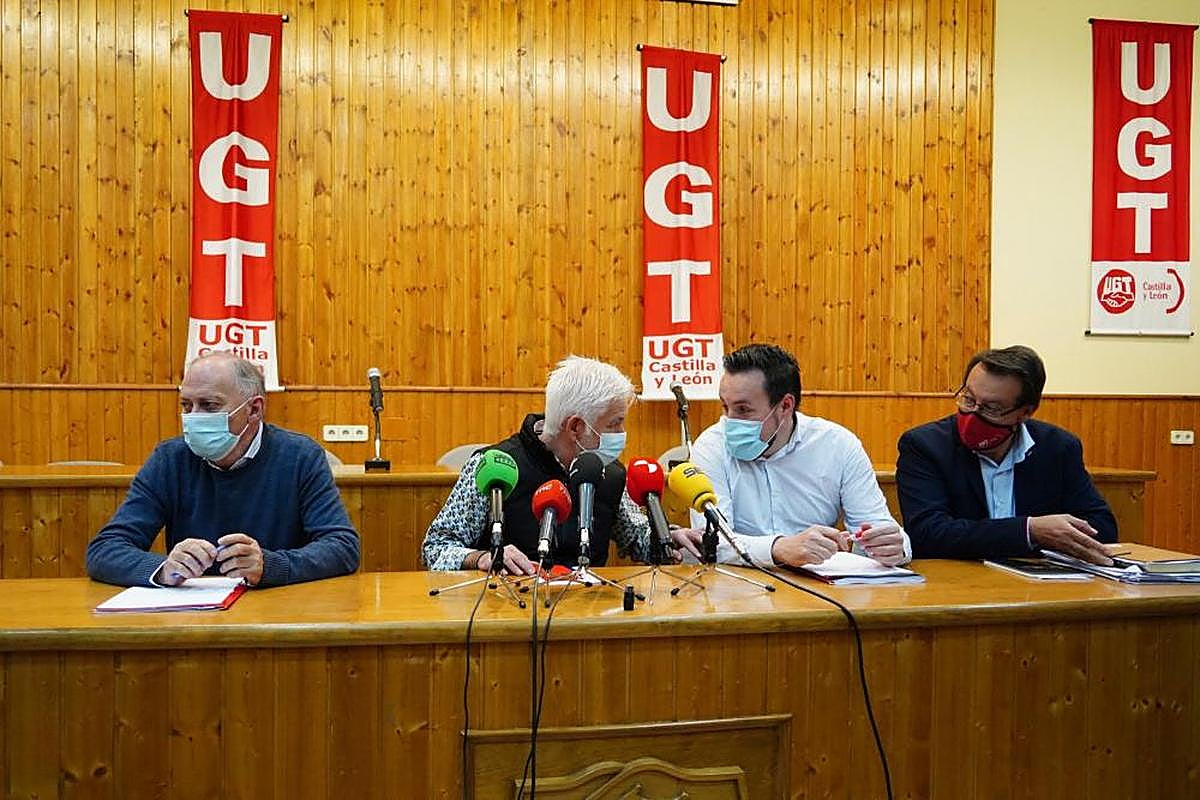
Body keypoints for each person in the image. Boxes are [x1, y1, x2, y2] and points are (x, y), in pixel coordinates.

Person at [86, 352, 360, 587]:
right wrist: (163, 568)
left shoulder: (300, 456)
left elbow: (342, 547)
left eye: (209, 406)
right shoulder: (170, 459)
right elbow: (105, 551)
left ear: (254, 410)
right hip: (193, 619)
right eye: (186, 405)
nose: (193, 417)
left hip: (277, 612)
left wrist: (271, 566)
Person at [422, 355, 697, 573]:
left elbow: (635, 537)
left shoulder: (609, 472)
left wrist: (669, 536)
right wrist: (481, 557)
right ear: (576, 427)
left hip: (587, 615)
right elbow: (435, 548)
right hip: (506, 617)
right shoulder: (495, 467)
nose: (622, 433)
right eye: (615, 423)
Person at [686, 343, 911, 568]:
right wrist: (778, 548)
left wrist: (893, 547)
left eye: (743, 410)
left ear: (785, 405)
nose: (730, 421)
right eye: (725, 407)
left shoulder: (838, 445)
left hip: (822, 590)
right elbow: (713, 541)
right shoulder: (711, 447)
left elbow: (878, 526)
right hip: (739, 590)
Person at [896, 345, 1117, 564]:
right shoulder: (925, 446)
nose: (973, 414)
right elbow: (927, 534)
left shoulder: (1058, 448)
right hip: (957, 586)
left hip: (1040, 588)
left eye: (991, 408)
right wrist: (1028, 531)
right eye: (969, 399)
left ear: (1025, 413)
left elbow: (1102, 528)